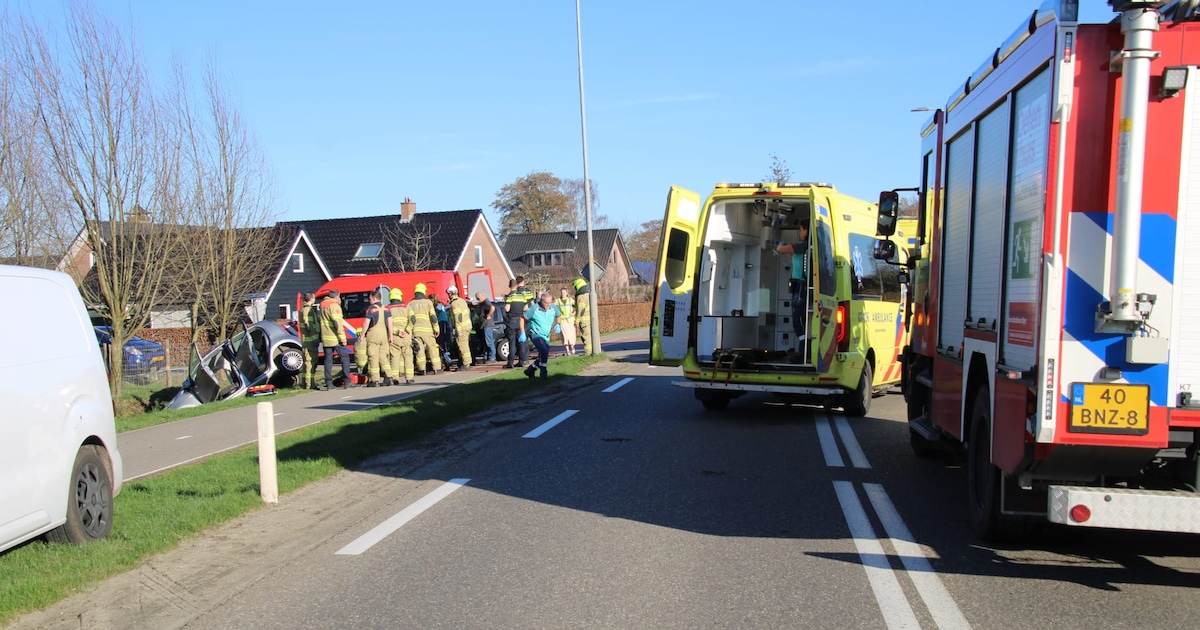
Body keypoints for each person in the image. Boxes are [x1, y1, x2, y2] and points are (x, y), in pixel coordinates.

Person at [775, 219, 811, 351]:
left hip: (800, 286)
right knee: (800, 318)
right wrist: (789, 251)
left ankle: (803, 347)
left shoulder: (802, 245)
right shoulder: (805, 248)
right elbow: (796, 261)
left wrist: (781, 244)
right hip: (800, 285)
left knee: (798, 320)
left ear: (806, 230)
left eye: (801, 229)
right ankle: (804, 345)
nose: (800, 232)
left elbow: (780, 249)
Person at [318, 289, 355, 389]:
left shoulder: (322, 304)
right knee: (345, 359)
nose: (340, 300)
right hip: (335, 338)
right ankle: (347, 381)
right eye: (340, 297)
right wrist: (342, 338)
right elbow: (337, 323)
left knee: (328, 361)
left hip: (326, 338)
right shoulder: (334, 306)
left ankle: (329, 383)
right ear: (336, 296)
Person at [360, 289, 395, 387]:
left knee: (373, 357)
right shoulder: (386, 309)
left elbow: (366, 323)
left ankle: (374, 380)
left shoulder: (371, 309)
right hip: (384, 336)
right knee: (383, 357)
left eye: (370, 299)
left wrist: (362, 335)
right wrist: (391, 336)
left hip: (373, 336)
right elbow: (390, 323)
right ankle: (389, 377)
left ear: (374, 298)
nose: (369, 300)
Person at [523, 292, 561, 379]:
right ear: (541, 301)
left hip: (546, 335)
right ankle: (543, 372)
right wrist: (522, 332)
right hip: (535, 333)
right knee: (543, 350)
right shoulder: (535, 308)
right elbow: (523, 318)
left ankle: (530, 370)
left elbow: (559, 315)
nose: (548, 305)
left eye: (549, 302)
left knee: (543, 355)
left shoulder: (553, 307)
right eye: (546, 303)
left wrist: (558, 324)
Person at [408, 282, 442, 375]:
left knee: (419, 350)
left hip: (416, 332)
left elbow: (410, 319)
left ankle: (422, 369)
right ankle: (437, 368)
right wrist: (436, 329)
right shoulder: (428, 302)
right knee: (432, 350)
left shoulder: (410, 303)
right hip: (428, 331)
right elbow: (433, 317)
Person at [503, 275, 535, 369]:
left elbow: (507, 309)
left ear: (510, 286)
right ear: (516, 285)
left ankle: (510, 362)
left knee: (512, 342)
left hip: (512, 320)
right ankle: (522, 361)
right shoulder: (521, 296)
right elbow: (526, 307)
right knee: (521, 341)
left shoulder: (510, 296)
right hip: (521, 320)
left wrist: (506, 306)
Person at [386, 288, 415, 385]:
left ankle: (395, 378)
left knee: (394, 358)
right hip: (406, 336)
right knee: (408, 357)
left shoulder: (387, 309)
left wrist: (397, 332)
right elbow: (413, 319)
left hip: (394, 336)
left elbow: (387, 324)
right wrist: (407, 330)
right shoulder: (407, 306)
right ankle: (409, 378)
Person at [298, 292, 322, 389]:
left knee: (307, 364)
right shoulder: (308, 310)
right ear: (312, 298)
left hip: (306, 341)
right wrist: (315, 339)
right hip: (310, 342)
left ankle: (306, 383)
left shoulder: (303, 309)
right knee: (310, 363)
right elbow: (309, 326)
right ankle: (309, 384)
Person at [446, 286, 473, 370]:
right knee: (465, 345)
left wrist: (458, 330)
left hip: (462, 327)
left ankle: (466, 364)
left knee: (462, 346)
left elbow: (458, 317)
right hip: (467, 325)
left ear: (450, 293)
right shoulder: (462, 301)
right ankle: (464, 362)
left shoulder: (454, 303)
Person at [555, 286, 577, 356]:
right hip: (563, 320)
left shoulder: (570, 300)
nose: (563, 294)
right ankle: (567, 350)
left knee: (572, 334)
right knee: (565, 335)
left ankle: (572, 347)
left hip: (570, 320)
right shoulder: (557, 301)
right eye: (562, 293)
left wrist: (574, 312)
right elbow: (553, 307)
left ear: (567, 293)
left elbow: (577, 306)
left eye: (564, 292)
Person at [474, 291, 496, 363]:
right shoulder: (482, 303)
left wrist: (489, 315)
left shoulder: (486, 302)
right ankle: (486, 356)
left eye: (478, 299)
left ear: (479, 297)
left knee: (489, 341)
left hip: (487, 324)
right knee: (485, 342)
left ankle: (492, 357)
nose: (477, 300)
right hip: (483, 325)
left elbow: (492, 308)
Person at [574, 277, 592, 355]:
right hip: (590, 319)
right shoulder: (589, 294)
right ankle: (595, 350)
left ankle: (588, 352)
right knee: (591, 336)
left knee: (586, 336)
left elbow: (581, 310)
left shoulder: (580, 296)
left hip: (584, 321)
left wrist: (577, 321)